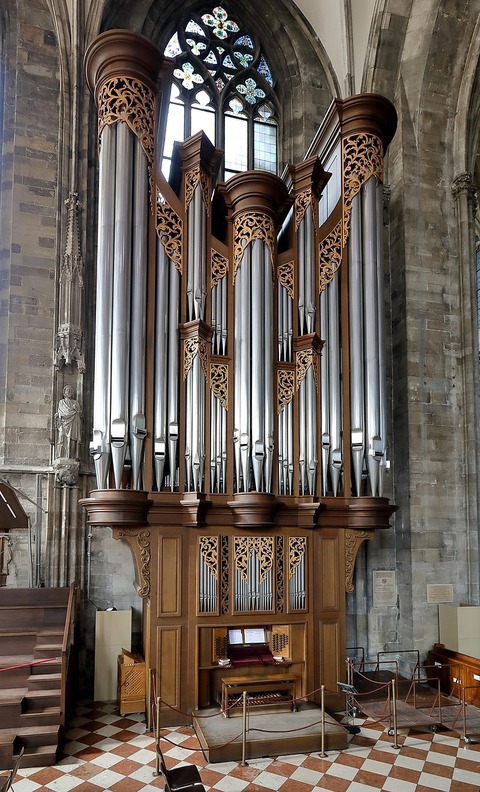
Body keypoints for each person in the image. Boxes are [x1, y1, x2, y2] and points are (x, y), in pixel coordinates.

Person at [56, 385, 82, 458]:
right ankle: (61, 456)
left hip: (74, 423)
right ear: (64, 392)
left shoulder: (75, 403)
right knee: (62, 438)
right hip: (64, 423)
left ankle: (72, 456)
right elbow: (62, 412)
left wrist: (76, 409)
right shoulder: (61, 402)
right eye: (67, 390)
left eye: (70, 390)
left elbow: (80, 414)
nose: (69, 391)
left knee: (73, 439)